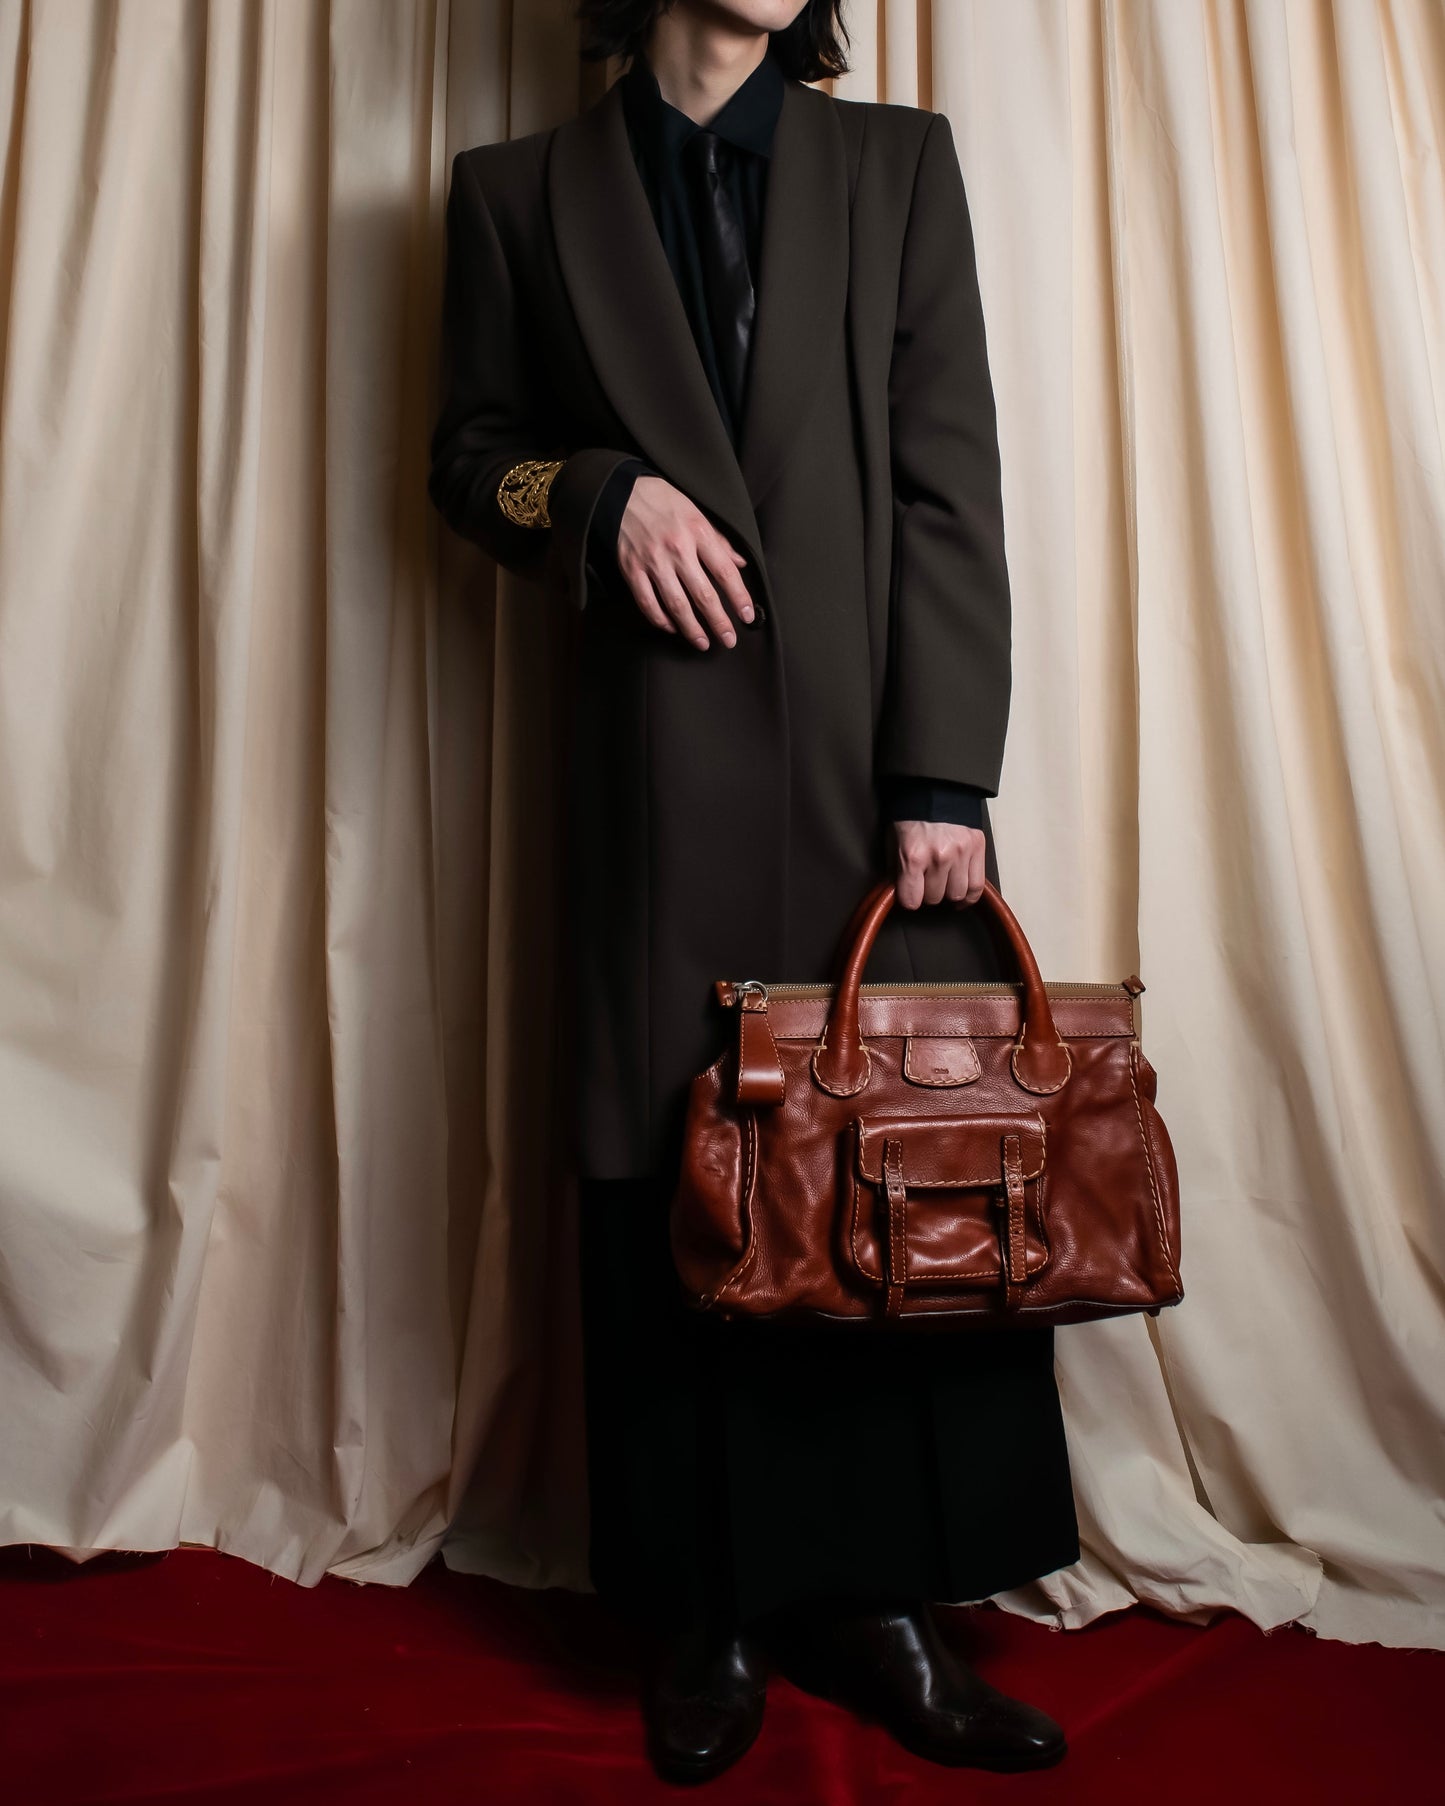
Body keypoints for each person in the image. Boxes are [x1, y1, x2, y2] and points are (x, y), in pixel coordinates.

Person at [428, 0, 1079, 1782]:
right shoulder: (513, 193)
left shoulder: (896, 166)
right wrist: (599, 497)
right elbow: (468, 456)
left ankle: (882, 1607)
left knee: (888, 1170)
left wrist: (941, 769)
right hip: (651, 790)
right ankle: (702, 1611)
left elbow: (950, 477)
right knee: (680, 1186)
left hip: (869, 780)